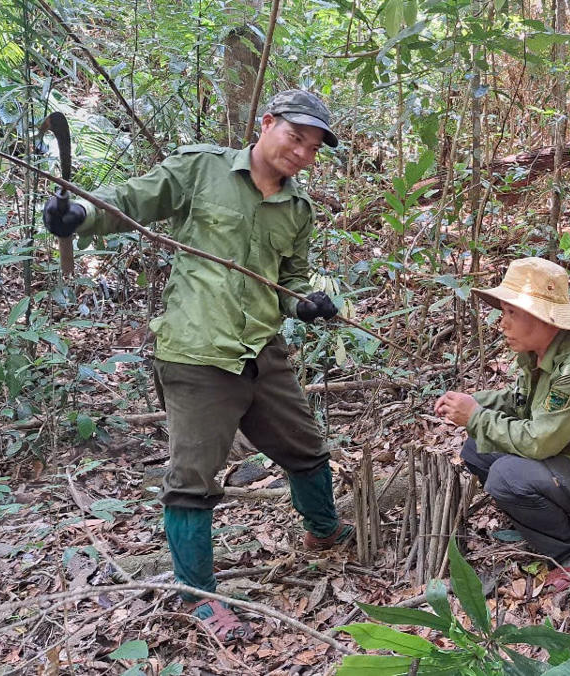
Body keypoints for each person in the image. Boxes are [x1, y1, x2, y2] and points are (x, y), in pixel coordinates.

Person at [42, 90, 352, 640]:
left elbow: (289, 280)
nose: (302, 153)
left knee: (307, 449)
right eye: (295, 137)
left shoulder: (297, 209)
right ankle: (199, 595)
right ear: (268, 124)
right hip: (196, 352)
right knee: (191, 481)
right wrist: (80, 214)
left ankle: (324, 532)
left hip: (261, 350)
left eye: (313, 147)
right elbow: (134, 199)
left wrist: (305, 303)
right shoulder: (202, 169)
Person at [434, 257, 570, 589]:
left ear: (542, 317)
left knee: (505, 476)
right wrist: (472, 403)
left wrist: (476, 415)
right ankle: (554, 522)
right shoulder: (540, 354)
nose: (502, 324)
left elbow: (539, 441)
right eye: (504, 312)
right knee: (477, 448)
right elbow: (520, 402)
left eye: (512, 314)